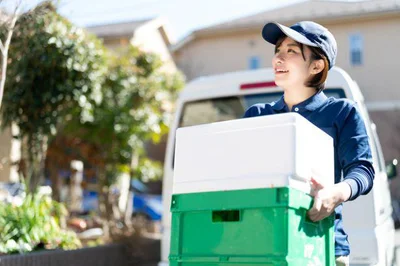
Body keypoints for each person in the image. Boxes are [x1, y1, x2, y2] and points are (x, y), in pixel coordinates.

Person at [243, 21, 375, 266]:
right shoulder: (256, 116)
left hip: (322, 245)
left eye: (290, 51)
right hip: (260, 244)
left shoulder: (342, 113)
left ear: (317, 65)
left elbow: (363, 171)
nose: (278, 59)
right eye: (277, 51)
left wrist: (335, 193)